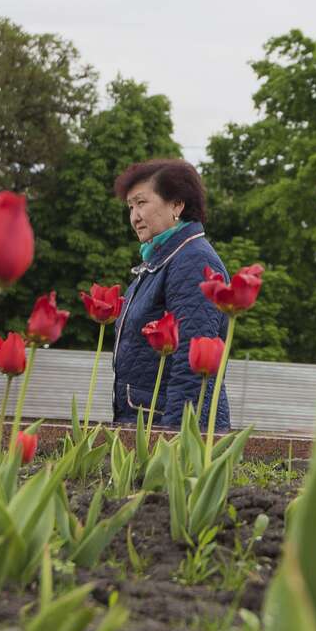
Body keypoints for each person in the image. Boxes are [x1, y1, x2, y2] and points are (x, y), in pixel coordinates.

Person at [111, 158, 231, 431]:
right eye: (130, 207)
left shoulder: (193, 261)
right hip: (145, 423)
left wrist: (172, 439)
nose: (134, 217)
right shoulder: (161, 260)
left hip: (170, 431)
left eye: (141, 203)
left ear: (177, 204)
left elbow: (192, 362)